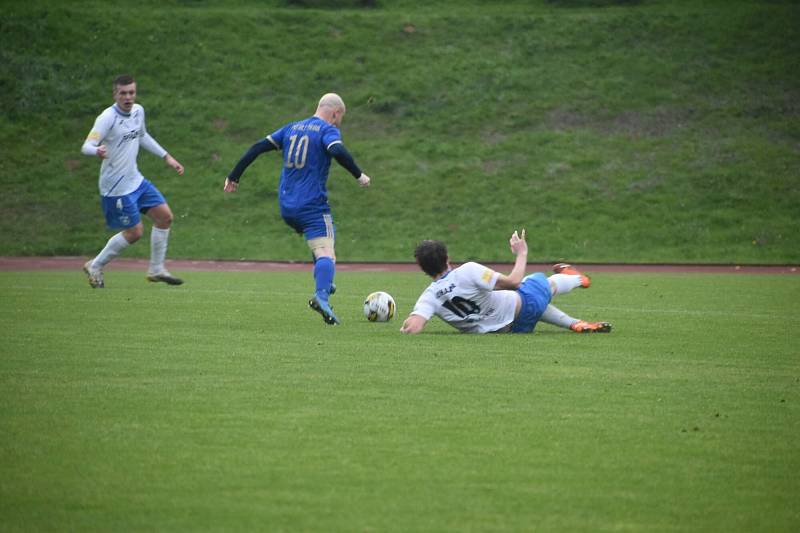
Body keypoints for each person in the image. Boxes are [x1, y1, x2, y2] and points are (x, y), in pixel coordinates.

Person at [223, 93, 371, 326]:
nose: (338, 122)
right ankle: (322, 295)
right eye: (340, 118)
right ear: (335, 113)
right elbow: (337, 151)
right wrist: (359, 175)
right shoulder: (326, 129)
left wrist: (234, 176)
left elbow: (257, 147)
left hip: (287, 206)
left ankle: (325, 281)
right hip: (312, 204)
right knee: (327, 254)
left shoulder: (291, 128)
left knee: (319, 249)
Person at [80, 74, 185, 288]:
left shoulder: (138, 111)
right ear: (115, 94)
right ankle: (96, 265)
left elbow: (142, 135)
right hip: (116, 186)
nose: (128, 97)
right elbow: (86, 146)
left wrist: (167, 157)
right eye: (123, 93)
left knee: (165, 217)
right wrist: (96, 150)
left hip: (135, 180)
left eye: (131, 93)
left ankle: (156, 269)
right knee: (135, 232)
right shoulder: (107, 117)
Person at [400, 230, 612, 335]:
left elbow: (414, 327)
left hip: (513, 329)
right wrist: (522, 253)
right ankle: (579, 279)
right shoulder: (468, 271)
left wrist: (404, 324)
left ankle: (575, 323)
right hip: (523, 303)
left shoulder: (430, 295)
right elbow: (513, 282)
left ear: (423, 269)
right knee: (540, 283)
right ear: (447, 258)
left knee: (536, 300)